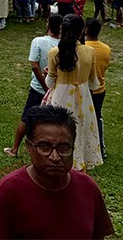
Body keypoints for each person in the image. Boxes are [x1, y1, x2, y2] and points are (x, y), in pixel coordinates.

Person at [0, 105, 115, 240]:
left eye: (63, 148)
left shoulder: (88, 189)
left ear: (73, 147)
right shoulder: (8, 192)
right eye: (44, 147)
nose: (55, 157)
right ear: (28, 147)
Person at [45, 14, 102, 171]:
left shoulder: (54, 52)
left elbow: (50, 82)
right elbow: (94, 83)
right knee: (81, 130)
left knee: (60, 130)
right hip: (83, 96)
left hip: (61, 96)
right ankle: (80, 166)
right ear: (82, 31)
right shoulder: (90, 51)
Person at [4, 14, 63, 158]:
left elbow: (35, 66)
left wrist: (44, 86)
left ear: (48, 25)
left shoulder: (38, 41)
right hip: (57, 89)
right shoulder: (63, 45)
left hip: (39, 87)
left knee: (27, 117)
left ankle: (14, 149)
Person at [85, 18, 111, 159]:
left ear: (86, 30)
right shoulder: (106, 49)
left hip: (86, 89)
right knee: (97, 118)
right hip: (100, 89)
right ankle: (101, 148)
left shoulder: (83, 48)